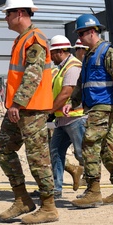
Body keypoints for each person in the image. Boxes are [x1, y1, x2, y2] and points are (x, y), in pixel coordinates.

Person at [0, 0, 59, 224]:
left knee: (37, 157)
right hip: (20, 109)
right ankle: (22, 199)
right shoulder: (22, 39)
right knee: (3, 148)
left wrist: (18, 103)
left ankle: (48, 207)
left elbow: (33, 75)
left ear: (20, 13)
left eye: (8, 13)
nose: (6, 18)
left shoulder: (35, 40)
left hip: (31, 109)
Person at [68, 13, 113, 208]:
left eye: (82, 33)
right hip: (94, 106)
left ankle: (93, 191)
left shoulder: (108, 52)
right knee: (107, 148)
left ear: (93, 31)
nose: (79, 38)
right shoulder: (88, 55)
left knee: (89, 144)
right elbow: (82, 83)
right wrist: (73, 102)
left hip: (103, 106)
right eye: (78, 34)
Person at [47, 34, 85, 199]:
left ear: (60, 51)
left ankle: (92, 187)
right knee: (55, 151)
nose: (51, 57)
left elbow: (66, 93)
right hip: (62, 119)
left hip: (76, 118)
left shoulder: (73, 67)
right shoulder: (61, 68)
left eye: (52, 53)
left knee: (82, 153)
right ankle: (56, 188)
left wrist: (49, 111)